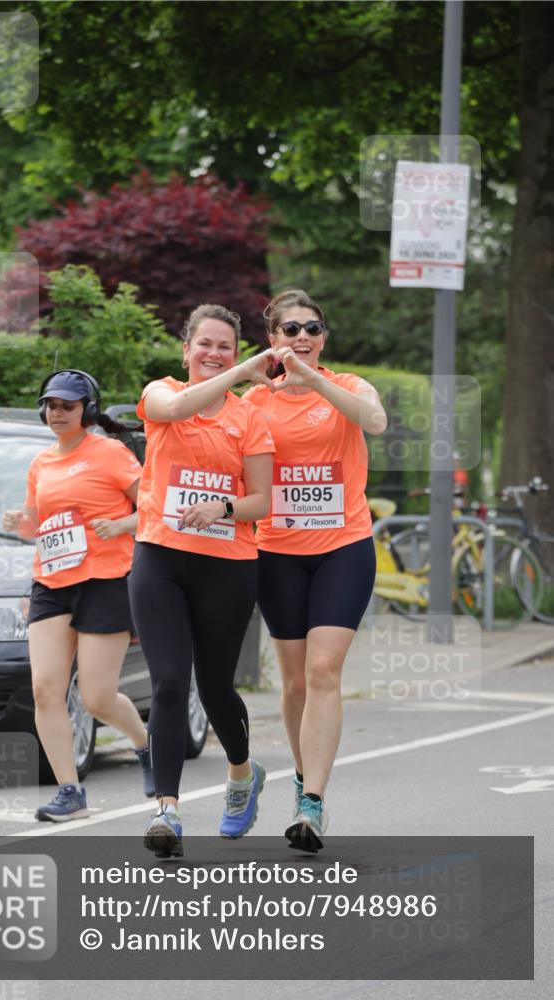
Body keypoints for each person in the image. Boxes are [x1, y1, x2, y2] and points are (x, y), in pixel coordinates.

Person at [128, 304, 277, 858]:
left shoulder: (249, 419)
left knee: (215, 688)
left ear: (235, 355)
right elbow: (180, 406)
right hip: (160, 558)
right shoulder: (161, 393)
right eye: (205, 345)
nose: (214, 355)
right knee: (169, 682)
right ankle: (166, 810)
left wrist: (222, 508)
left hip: (228, 564)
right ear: (185, 349)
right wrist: (241, 375)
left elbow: (262, 500)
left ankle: (242, 776)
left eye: (226, 348)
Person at [245, 289, 387, 852]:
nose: (301, 337)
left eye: (312, 328)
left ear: (322, 337)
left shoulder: (349, 386)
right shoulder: (255, 402)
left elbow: (373, 422)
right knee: (297, 680)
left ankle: (313, 802)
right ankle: (303, 777)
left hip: (342, 547)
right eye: (290, 330)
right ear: (272, 339)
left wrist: (312, 378)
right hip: (277, 551)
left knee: (325, 672)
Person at [2, 369, 154, 821]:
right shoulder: (41, 462)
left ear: (86, 410)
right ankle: (70, 791)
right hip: (50, 582)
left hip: (104, 580)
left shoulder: (109, 453)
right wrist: (21, 523)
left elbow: (152, 503)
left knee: (96, 697)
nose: (56, 413)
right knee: (45, 688)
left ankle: (147, 745)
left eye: (67, 405)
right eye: (50, 405)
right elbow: (38, 523)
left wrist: (123, 524)